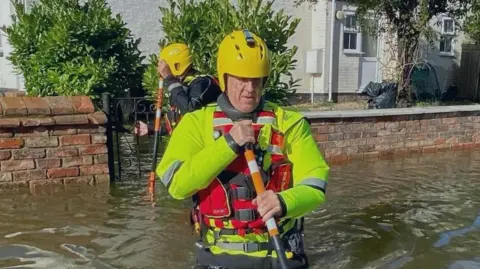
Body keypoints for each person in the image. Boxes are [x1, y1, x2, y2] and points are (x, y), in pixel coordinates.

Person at [156, 29, 330, 269]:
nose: (249, 88)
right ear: (225, 77)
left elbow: (316, 185)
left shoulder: (290, 123)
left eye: (256, 79)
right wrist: (228, 144)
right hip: (219, 256)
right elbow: (176, 185)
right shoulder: (196, 123)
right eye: (241, 79)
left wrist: (283, 200)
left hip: (281, 254)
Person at [135, 43, 221, 136]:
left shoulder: (203, 83)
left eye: (165, 66)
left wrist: (170, 78)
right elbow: (175, 124)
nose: (162, 70)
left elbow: (190, 110)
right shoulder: (179, 87)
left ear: (176, 66)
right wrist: (150, 128)